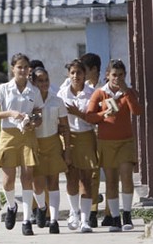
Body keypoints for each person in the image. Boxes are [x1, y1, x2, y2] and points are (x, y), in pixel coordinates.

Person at [85, 59, 142, 232]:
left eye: (121, 75)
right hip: (106, 142)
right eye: (114, 75)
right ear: (107, 75)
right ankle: (115, 218)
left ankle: (127, 215)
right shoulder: (100, 93)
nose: (117, 78)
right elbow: (89, 116)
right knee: (110, 181)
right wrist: (104, 113)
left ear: (125, 76)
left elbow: (137, 111)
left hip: (125, 141)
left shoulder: (128, 92)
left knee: (126, 176)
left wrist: (126, 91)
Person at [0, 53, 42, 236]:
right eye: (19, 67)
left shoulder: (33, 91)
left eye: (26, 67)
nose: (23, 70)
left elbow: (38, 114)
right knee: (8, 180)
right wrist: (10, 113)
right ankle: (11, 206)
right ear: (13, 68)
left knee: (27, 178)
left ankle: (26, 220)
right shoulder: (4, 88)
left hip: (27, 134)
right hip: (8, 134)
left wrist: (33, 121)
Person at [57, 59, 97, 233]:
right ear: (68, 74)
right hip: (68, 136)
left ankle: (85, 219)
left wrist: (77, 113)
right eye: (72, 73)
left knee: (86, 179)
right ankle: (73, 213)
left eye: (79, 73)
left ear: (84, 74)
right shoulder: (62, 94)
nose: (76, 76)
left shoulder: (92, 93)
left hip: (86, 136)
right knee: (71, 176)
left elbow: (95, 118)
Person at [31, 67, 71, 234]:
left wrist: (67, 149)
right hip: (36, 144)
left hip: (53, 142)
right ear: (33, 83)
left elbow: (65, 126)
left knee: (53, 183)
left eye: (46, 80)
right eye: (40, 80)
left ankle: (54, 220)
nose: (44, 83)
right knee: (38, 185)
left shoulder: (57, 101)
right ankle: (41, 208)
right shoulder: (29, 102)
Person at [79, 53, 108, 227]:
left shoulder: (104, 88)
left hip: (104, 133)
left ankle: (111, 213)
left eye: (85, 69)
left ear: (94, 70)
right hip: (89, 133)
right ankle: (92, 210)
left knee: (111, 173)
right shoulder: (81, 88)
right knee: (92, 173)